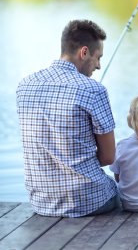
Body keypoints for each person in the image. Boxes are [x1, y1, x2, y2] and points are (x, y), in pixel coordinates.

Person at [16, 19, 118, 217]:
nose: (98, 66)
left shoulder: (24, 86)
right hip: (88, 201)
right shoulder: (94, 90)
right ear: (84, 52)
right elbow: (108, 157)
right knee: (123, 195)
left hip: (41, 203)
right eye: (98, 58)